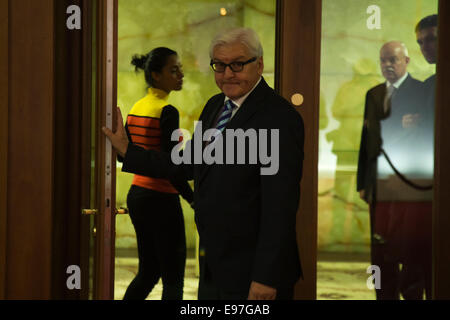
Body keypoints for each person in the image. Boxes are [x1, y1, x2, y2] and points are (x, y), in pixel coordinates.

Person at [103, 28, 304, 300]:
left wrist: (265, 277)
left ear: (259, 64)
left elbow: (280, 207)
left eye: (237, 64)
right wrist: (128, 150)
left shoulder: (279, 118)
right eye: (219, 65)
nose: (227, 73)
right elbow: (186, 163)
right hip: (215, 264)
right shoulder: (215, 106)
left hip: (253, 273)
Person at [357, 41, 431, 300]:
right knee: (380, 250)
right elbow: (366, 143)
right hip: (379, 185)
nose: (387, 65)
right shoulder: (374, 94)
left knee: (412, 249)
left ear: (406, 61)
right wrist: (362, 183)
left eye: (393, 60)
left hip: (411, 184)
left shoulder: (422, 91)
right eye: (383, 60)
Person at [120, 47, 194, 300]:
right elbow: (171, 166)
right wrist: (193, 198)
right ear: (156, 75)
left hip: (138, 195)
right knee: (173, 280)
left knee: (148, 272)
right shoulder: (166, 111)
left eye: (180, 69)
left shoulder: (137, 107)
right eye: (174, 70)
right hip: (162, 199)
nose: (181, 74)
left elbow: (125, 154)